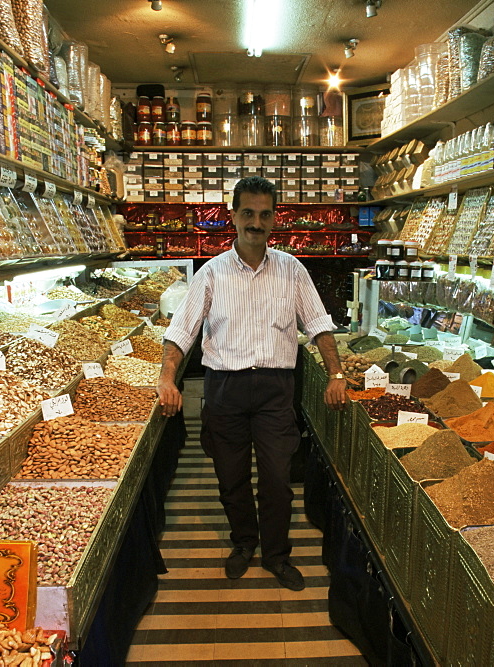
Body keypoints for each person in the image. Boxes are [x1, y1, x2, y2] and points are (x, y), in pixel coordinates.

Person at [157, 176, 347, 591]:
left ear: (274, 218)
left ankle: (277, 555)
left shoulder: (292, 270)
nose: (255, 223)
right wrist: (166, 378)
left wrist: (336, 373)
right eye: (248, 213)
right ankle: (244, 542)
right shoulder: (212, 273)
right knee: (231, 477)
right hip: (224, 389)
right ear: (234, 216)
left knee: (278, 478)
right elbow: (181, 331)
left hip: (277, 389)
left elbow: (318, 325)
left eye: (264, 214)